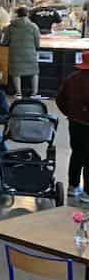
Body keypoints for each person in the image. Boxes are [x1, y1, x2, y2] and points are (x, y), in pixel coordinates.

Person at [55, 56, 89, 204]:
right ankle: (87, 193)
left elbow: (59, 99)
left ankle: (73, 187)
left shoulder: (72, 78)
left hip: (75, 123)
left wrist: (69, 113)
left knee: (76, 153)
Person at [1, 6, 42, 98]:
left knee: (16, 73)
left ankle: (18, 93)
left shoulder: (10, 27)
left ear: (17, 14)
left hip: (15, 53)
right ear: (27, 14)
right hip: (30, 53)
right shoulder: (33, 26)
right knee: (34, 72)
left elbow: (5, 42)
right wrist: (36, 47)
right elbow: (37, 42)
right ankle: (34, 93)